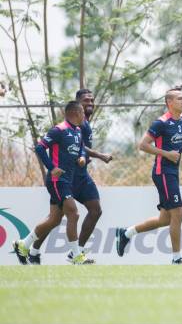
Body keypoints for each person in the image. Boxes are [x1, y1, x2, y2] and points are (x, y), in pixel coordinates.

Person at [27, 89, 113, 265]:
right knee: (56, 218)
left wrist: (84, 156)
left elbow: (80, 147)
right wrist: (99, 154)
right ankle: (33, 250)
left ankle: (76, 253)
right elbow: (44, 147)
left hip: (81, 176)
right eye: (85, 101)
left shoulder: (83, 124)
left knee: (95, 210)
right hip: (67, 176)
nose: (90, 103)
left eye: (92, 100)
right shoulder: (70, 125)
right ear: (77, 105)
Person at [115, 87, 182, 264]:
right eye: (179, 99)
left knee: (165, 219)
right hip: (162, 172)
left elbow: (177, 140)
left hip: (173, 172)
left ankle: (126, 233)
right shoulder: (160, 123)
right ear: (169, 103)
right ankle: (176, 258)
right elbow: (143, 145)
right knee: (178, 213)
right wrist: (167, 154)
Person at [12, 101, 90, 264]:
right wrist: (51, 167)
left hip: (67, 180)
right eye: (82, 112)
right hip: (57, 180)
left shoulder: (78, 131)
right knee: (73, 214)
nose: (84, 115)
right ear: (75, 113)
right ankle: (76, 256)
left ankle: (23, 244)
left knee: (54, 219)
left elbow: (82, 147)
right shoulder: (59, 130)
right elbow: (40, 147)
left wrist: (82, 157)